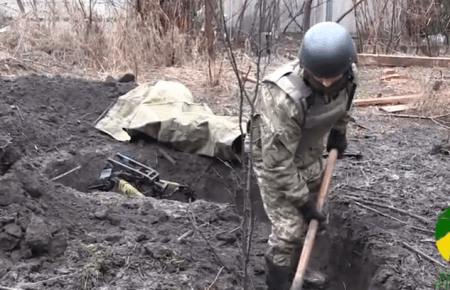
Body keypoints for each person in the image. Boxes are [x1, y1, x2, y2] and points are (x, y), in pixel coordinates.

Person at [250, 21, 359, 289]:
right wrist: (303, 203)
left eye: (331, 77)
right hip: (275, 162)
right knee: (290, 231)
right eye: (318, 76)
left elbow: (343, 104)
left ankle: (299, 268)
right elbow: (277, 164)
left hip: (309, 153)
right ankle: (277, 281)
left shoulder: (347, 74)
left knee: (316, 225)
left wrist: (339, 130)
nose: (325, 82)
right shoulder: (283, 96)